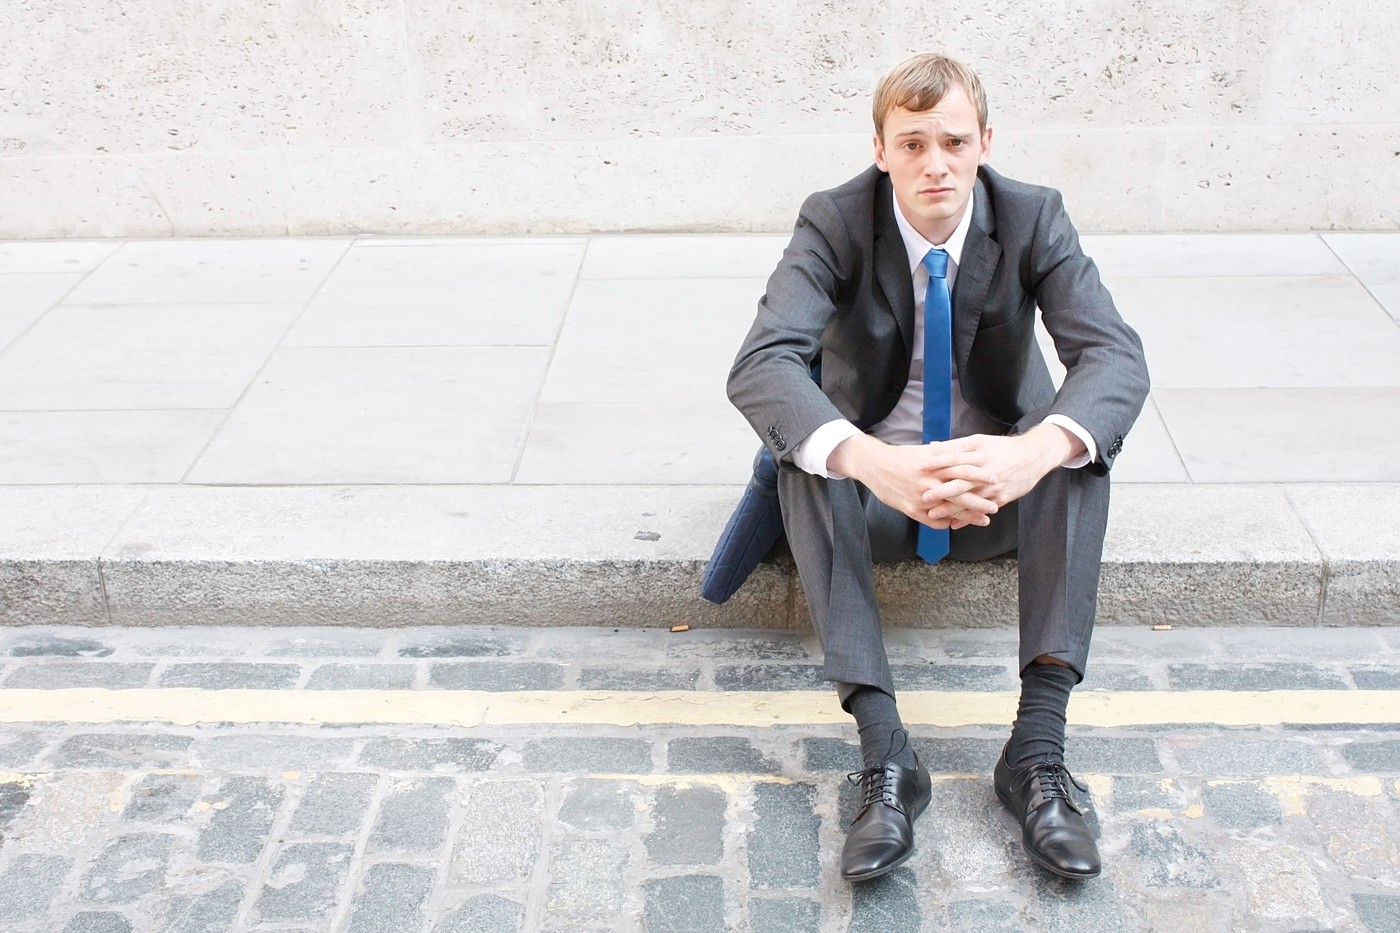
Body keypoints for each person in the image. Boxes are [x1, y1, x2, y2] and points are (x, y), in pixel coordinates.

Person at [724, 52, 1149, 882]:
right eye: (911, 143)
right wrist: (877, 464)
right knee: (807, 456)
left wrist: (1028, 454)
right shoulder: (836, 221)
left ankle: (1036, 752)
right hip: (879, 497)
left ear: (985, 142)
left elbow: (1115, 358)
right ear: (880, 149)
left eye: (953, 140)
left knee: (1079, 444)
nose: (935, 163)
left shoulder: (1032, 217)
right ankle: (886, 758)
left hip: (1001, 492)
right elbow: (762, 363)